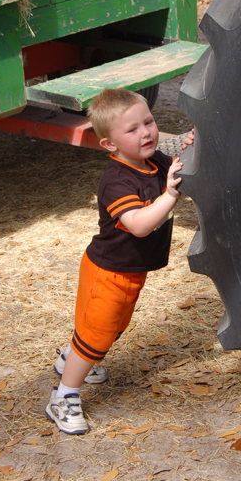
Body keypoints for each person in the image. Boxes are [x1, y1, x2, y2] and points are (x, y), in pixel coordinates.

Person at [45, 87, 190, 434]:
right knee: (97, 334)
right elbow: (139, 225)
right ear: (109, 144)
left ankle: (73, 357)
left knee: (109, 329)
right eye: (133, 129)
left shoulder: (155, 161)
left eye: (149, 122)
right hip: (107, 273)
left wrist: (189, 139)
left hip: (129, 272)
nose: (147, 133)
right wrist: (170, 195)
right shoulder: (115, 181)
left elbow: (177, 154)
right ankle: (63, 395)